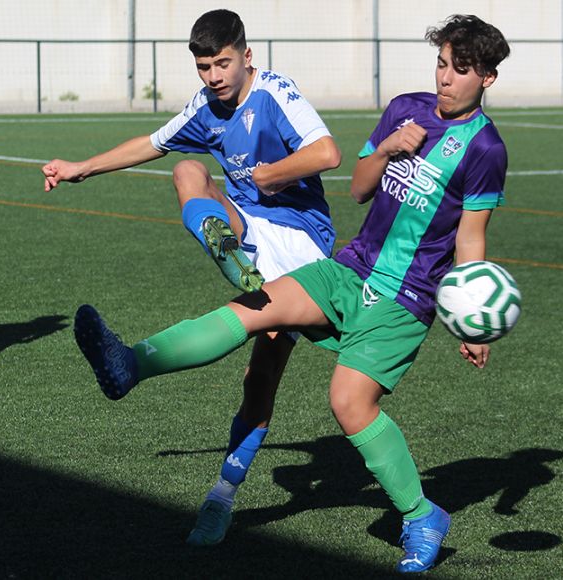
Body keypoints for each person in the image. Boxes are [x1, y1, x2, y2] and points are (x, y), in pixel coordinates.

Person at [72, 14, 510, 574]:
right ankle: (129, 363)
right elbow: (357, 187)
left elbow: (470, 237)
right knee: (255, 310)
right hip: (349, 270)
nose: (446, 78)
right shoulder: (406, 107)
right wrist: (389, 150)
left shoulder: (487, 149)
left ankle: (422, 515)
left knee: (348, 403)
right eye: (442, 64)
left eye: (461, 70)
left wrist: (472, 319)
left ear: (487, 79)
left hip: (407, 299)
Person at [42, 9, 341, 546]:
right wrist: (80, 167)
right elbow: (153, 144)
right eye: (204, 67)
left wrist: (270, 175)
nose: (213, 77)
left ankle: (221, 499)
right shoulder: (205, 106)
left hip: (302, 244)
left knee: (261, 377)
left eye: (222, 64)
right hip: (247, 226)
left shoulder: (275, 90)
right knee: (186, 169)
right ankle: (221, 249)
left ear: (247, 56)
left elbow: (328, 153)